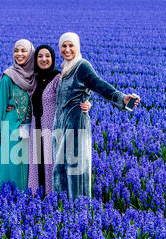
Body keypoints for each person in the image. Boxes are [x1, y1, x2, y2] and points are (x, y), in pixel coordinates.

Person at [52, 32, 141, 199]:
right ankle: (61, 208)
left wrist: (122, 99)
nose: (67, 49)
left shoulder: (82, 66)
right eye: (64, 46)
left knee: (75, 168)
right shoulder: (64, 68)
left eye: (71, 45)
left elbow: (99, 85)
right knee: (61, 167)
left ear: (77, 47)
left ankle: (78, 208)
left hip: (76, 124)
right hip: (61, 125)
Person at [24, 44, 92, 196]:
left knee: (52, 164)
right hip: (36, 130)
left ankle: (54, 199)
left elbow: (74, 94)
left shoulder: (59, 78)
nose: (44, 59)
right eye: (40, 56)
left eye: (47, 56)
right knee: (38, 165)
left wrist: (86, 103)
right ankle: (37, 199)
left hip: (53, 129)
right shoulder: (32, 80)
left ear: (53, 58)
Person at [0, 39, 36, 191]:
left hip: (32, 127)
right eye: (16, 51)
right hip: (11, 127)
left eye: (23, 51)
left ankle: (29, 198)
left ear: (31, 53)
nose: (19, 54)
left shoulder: (36, 76)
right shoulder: (8, 77)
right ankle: (9, 199)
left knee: (29, 166)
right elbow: (1, 108)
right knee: (11, 164)